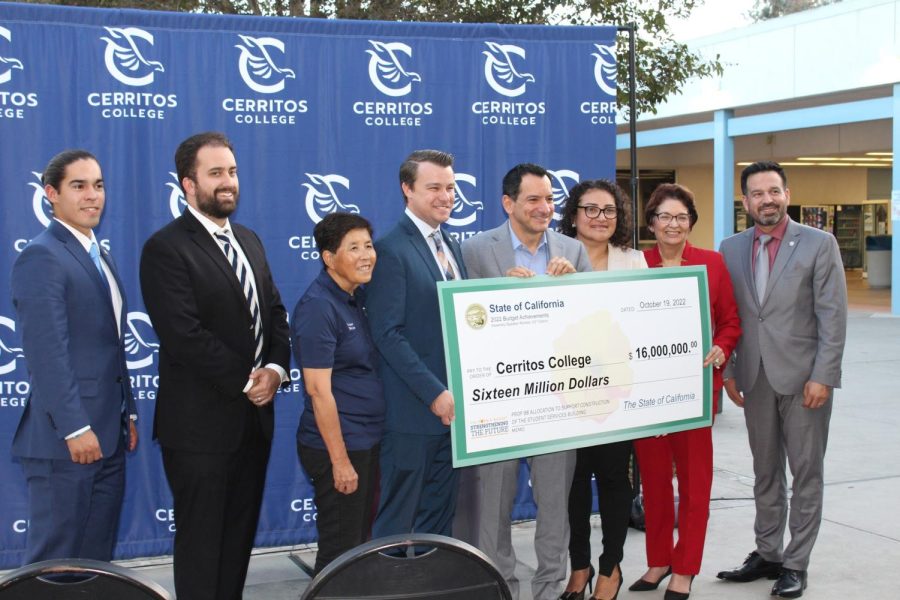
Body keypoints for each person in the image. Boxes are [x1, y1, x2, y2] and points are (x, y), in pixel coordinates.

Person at [139, 132, 291, 600]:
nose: (228, 182)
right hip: (200, 431)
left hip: (252, 425)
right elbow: (184, 335)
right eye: (216, 173)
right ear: (189, 184)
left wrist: (275, 370)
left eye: (233, 171)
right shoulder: (165, 248)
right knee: (203, 547)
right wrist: (248, 380)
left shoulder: (249, 240)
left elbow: (275, 315)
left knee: (237, 542)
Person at [716, 161, 847, 599]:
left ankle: (796, 563)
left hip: (805, 379)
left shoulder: (818, 243)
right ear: (746, 201)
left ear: (786, 194)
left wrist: (823, 375)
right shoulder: (730, 248)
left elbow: (832, 315)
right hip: (755, 377)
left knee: (806, 473)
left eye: (773, 191)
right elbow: (729, 315)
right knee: (764, 471)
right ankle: (767, 551)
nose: (766, 200)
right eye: (757, 193)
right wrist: (731, 370)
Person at [462, 163, 591, 600]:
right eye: (534, 199)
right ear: (508, 203)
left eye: (550, 199)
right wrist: (498, 293)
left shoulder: (572, 253)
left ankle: (549, 589)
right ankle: (499, 586)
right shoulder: (475, 251)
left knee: (555, 508)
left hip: (555, 401)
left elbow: (594, 323)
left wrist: (575, 289)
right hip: (498, 401)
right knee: (492, 507)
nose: (544, 208)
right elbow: (463, 324)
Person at [10, 149, 138, 564]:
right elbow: (48, 354)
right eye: (79, 186)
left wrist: (128, 414)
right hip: (66, 442)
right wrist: (74, 428)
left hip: (107, 434)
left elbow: (110, 345)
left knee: (94, 563)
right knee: (54, 564)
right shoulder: (42, 255)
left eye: (98, 185)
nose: (92, 195)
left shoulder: (99, 253)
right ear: (51, 193)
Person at [630, 183, 741, 600]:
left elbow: (731, 321)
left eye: (681, 217)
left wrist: (722, 347)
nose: (672, 224)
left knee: (695, 485)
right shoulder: (637, 264)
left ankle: (686, 568)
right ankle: (659, 560)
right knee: (655, 483)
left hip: (695, 392)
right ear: (652, 223)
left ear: (691, 222)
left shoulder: (711, 264)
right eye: (664, 216)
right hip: (648, 395)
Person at [365, 149, 467, 539]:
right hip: (413, 414)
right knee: (397, 523)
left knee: (438, 522)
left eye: (451, 188)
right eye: (434, 188)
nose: (445, 196)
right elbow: (388, 334)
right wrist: (434, 393)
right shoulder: (391, 249)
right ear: (407, 189)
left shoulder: (452, 246)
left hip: (453, 416)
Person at [556, 179, 646, 600]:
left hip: (616, 394)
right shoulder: (551, 257)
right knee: (572, 485)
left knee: (614, 481)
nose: (599, 218)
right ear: (573, 214)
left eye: (608, 210)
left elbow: (643, 329)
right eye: (590, 209)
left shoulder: (634, 261)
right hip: (566, 392)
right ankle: (579, 566)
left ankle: (611, 568)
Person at [291, 212, 384, 574]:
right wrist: (340, 461)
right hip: (338, 446)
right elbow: (318, 393)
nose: (366, 255)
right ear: (329, 258)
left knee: (357, 546)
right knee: (339, 553)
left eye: (369, 246)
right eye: (354, 248)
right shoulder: (318, 307)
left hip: (365, 440)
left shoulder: (353, 296)